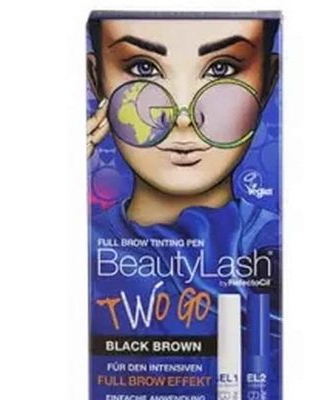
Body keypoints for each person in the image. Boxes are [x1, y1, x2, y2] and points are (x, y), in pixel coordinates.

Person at [87, 17, 280, 335]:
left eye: (221, 69)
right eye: (143, 69)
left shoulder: (273, 248)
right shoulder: (84, 249)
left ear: (268, 81)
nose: (182, 117)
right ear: (97, 79)